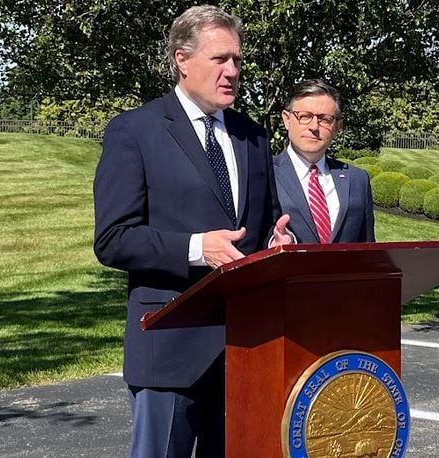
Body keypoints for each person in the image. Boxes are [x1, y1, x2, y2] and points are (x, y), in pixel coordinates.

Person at [92, 5, 291, 457]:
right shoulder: (134, 131)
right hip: (169, 347)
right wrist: (198, 248)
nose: (232, 71)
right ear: (182, 60)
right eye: (220, 59)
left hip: (247, 351)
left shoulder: (253, 136)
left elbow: (263, 226)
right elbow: (113, 238)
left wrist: (279, 244)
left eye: (237, 61)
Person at [274, 79, 375, 243]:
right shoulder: (264, 174)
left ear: (338, 127)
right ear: (286, 119)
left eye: (324, 119)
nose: (314, 126)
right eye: (304, 116)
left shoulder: (358, 180)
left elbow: (367, 248)